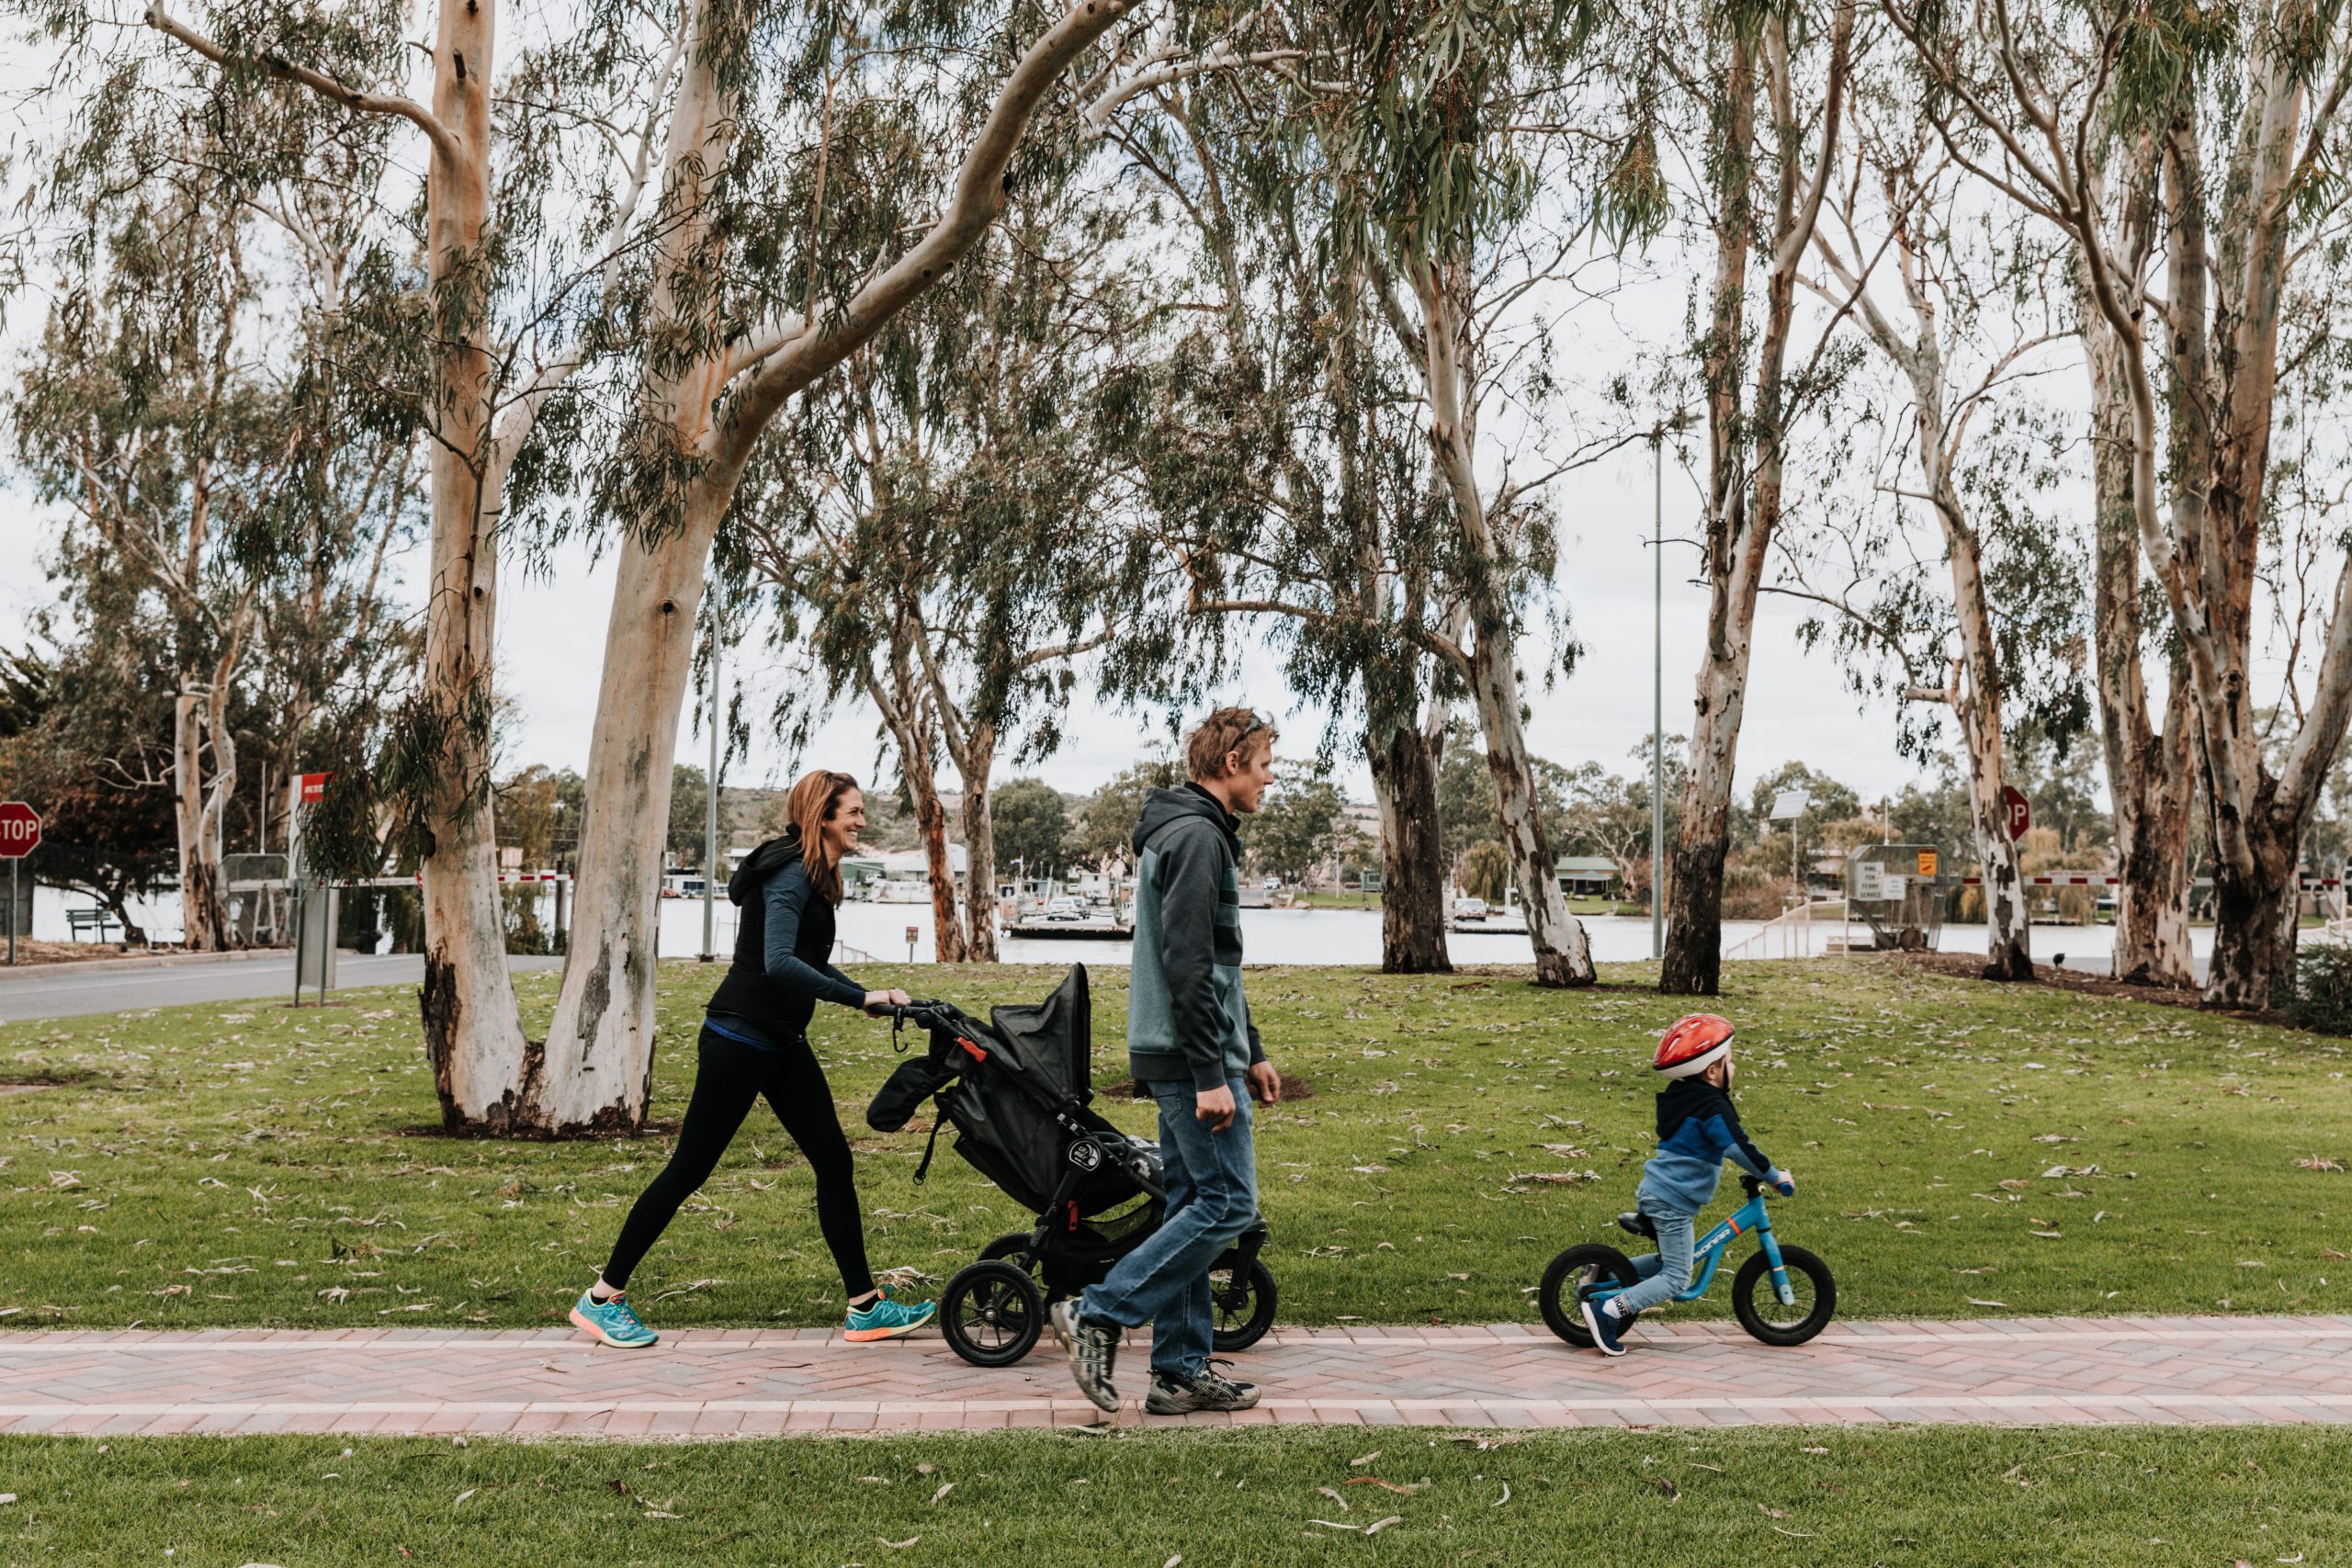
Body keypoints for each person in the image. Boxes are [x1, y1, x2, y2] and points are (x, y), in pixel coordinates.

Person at [570, 770, 936, 1349]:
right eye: (853, 812)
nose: (862, 821)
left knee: (833, 1161)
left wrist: (866, 995)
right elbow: (777, 963)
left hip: (780, 1040)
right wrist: (856, 996)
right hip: (740, 1039)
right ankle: (601, 1299)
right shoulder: (790, 874)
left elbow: (807, 961)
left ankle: (865, 1307)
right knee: (690, 1170)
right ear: (823, 815)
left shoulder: (812, 874)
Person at [1052, 708, 1283, 1415]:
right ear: (1233, 760)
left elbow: (1215, 962)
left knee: (1190, 1201)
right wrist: (1214, 1072)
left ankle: (1178, 1368)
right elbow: (1185, 963)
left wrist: (1253, 1051)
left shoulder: (1188, 830)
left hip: (1187, 1053)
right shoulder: (1195, 836)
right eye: (1266, 762)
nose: (1270, 777)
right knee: (1228, 1202)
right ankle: (1098, 1311)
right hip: (1190, 1063)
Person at [1583, 1012, 1794, 1356]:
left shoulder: (1686, 1100)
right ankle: (1608, 1311)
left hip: (1660, 1192)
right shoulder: (1711, 1107)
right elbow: (1736, 1147)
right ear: (1712, 1070)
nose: (1735, 1067)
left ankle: (1607, 1272)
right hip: (1672, 1202)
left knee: (1673, 1260)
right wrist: (1774, 1176)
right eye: (1730, 1061)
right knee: (1678, 1278)